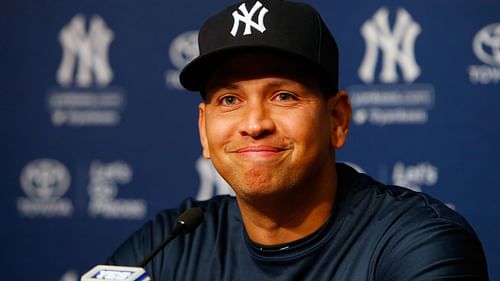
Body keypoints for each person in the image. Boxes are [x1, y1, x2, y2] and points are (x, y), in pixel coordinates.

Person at [108, 0, 489, 280]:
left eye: (284, 95)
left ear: (337, 119)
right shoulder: (170, 243)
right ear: (203, 129)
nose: (254, 123)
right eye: (230, 99)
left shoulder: (416, 244)